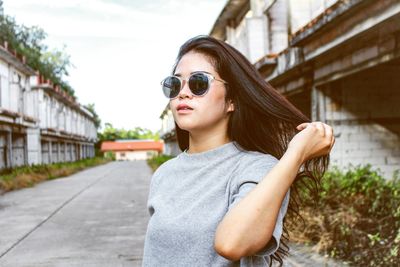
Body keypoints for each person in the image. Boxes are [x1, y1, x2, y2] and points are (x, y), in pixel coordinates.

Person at [142, 35, 334, 267]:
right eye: (175, 84)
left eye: (198, 83)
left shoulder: (258, 168)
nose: (183, 93)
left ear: (231, 100)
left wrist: (296, 154)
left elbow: (231, 244)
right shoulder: (164, 174)